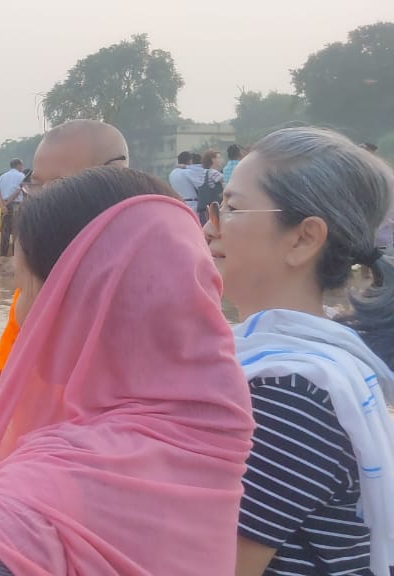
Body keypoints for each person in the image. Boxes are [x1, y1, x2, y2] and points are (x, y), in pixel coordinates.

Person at [0, 167, 253, 575]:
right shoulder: (210, 428)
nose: (18, 310)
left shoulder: (61, 480)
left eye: (23, 287)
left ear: (77, 298)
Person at [199, 127, 394, 576]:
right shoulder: (301, 365)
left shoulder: (288, 394)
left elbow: (213, 565)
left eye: (231, 207)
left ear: (303, 239)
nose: (210, 225)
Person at [0, 119, 129, 380]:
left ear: (112, 178)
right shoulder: (37, 269)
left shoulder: (140, 275)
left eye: (58, 184)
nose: (42, 198)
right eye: (37, 185)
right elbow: (13, 375)